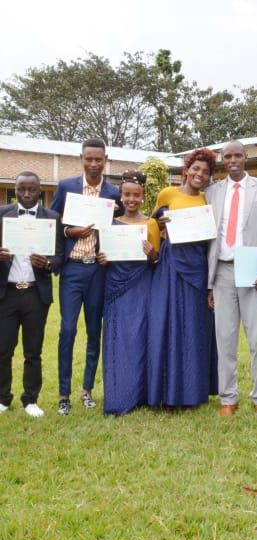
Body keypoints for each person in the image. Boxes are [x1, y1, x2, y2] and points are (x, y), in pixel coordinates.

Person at [205, 141, 257, 418]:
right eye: (228, 156)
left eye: (238, 155)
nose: (233, 160)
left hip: (254, 269)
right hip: (222, 270)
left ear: (246, 158)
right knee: (225, 338)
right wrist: (210, 283)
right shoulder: (212, 191)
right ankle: (228, 397)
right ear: (223, 160)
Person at [51, 138, 121, 415]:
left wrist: (110, 253)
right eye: (88, 159)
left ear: (106, 159)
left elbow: (117, 231)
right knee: (67, 330)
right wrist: (70, 232)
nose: (93, 164)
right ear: (81, 158)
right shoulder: (66, 187)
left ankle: (87, 391)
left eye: (98, 159)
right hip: (72, 269)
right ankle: (63, 394)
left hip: (98, 270)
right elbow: (53, 222)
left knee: (95, 331)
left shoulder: (113, 192)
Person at [147, 148, 217, 408]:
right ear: (186, 170)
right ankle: (166, 390)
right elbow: (153, 224)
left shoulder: (208, 201)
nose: (200, 174)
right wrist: (161, 228)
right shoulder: (167, 194)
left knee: (193, 327)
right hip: (170, 264)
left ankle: (192, 391)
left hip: (197, 267)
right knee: (167, 323)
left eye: (206, 172)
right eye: (196, 169)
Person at [0, 172, 63, 417]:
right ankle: (3, 398)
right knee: (3, 349)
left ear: (40, 191)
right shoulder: (2, 215)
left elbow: (60, 257)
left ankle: (31, 399)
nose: (26, 194)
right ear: (14, 190)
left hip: (36, 294)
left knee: (33, 350)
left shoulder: (52, 218)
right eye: (21, 189)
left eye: (32, 190)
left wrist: (46, 263)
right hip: (7, 293)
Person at [97, 171, 160, 416]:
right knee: (118, 338)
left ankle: (142, 394)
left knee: (142, 337)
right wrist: (102, 259)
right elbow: (104, 255)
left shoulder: (151, 224)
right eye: (127, 195)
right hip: (116, 287)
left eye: (136, 195)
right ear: (121, 197)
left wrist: (152, 253)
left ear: (143, 197)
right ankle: (119, 393)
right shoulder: (110, 223)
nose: (131, 199)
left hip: (143, 285)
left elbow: (157, 260)